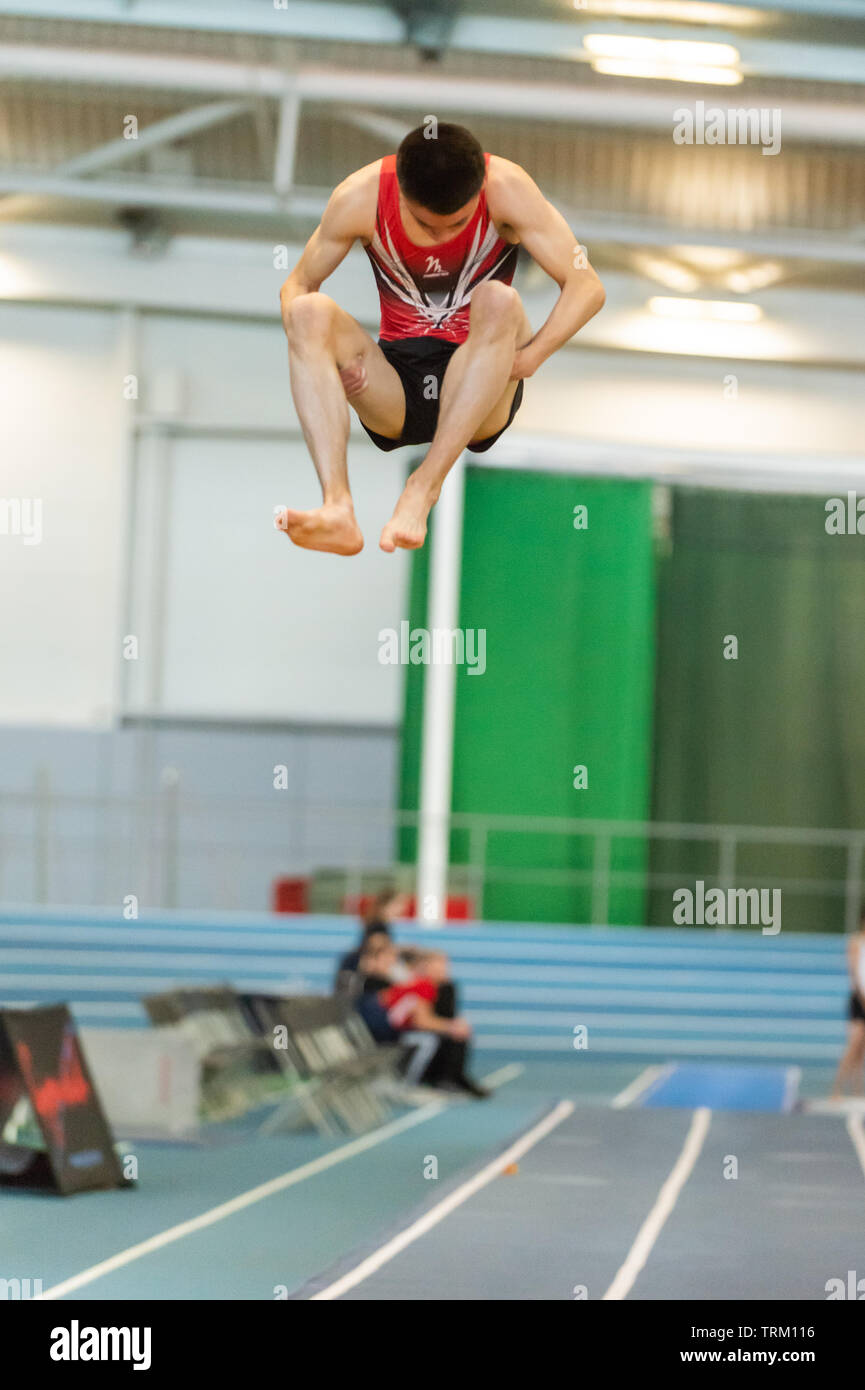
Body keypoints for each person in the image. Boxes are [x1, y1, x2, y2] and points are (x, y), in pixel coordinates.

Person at [276, 122, 605, 555]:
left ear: (479, 191)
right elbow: (296, 285)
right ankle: (337, 505)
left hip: (483, 385)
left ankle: (423, 489)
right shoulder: (360, 197)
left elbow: (586, 287)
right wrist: (326, 366)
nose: (441, 237)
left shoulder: (508, 187)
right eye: (426, 226)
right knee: (306, 311)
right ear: (401, 194)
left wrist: (530, 359)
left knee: (498, 299)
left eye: (459, 224)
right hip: (395, 386)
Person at [830, 911, 865, 1099]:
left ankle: (857, 1090)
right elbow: (855, 972)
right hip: (858, 999)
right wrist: (861, 996)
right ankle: (837, 1087)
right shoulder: (856, 942)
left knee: (862, 1049)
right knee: (854, 1044)